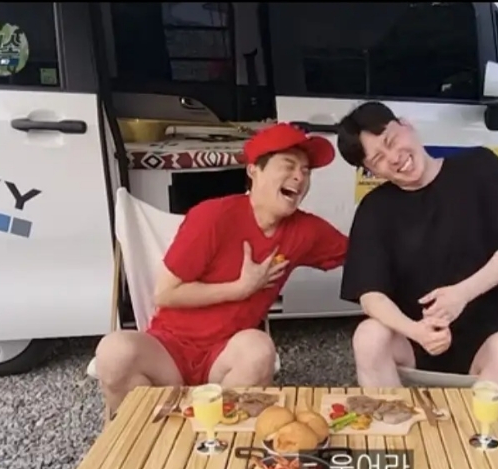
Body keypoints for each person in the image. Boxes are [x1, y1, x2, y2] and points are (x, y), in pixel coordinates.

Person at [96, 123, 349, 415]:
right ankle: (144, 435)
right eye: (289, 165)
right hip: (169, 352)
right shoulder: (213, 217)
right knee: (114, 352)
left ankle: (221, 436)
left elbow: (360, 253)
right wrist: (241, 289)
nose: (300, 177)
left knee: (259, 349)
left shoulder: (305, 231)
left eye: (306, 171)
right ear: (254, 170)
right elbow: (165, 294)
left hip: (226, 359)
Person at [337, 101, 498, 409]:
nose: (394, 158)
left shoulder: (479, 167)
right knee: (368, 336)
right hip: (413, 339)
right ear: (371, 171)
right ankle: (395, 428)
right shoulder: (375, 208)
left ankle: (474, 433)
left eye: (391, 141)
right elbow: (370, 296)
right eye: (378, 159)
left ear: (407, 125)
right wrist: (416, 331)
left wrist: (461, 294)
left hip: (484, 337)